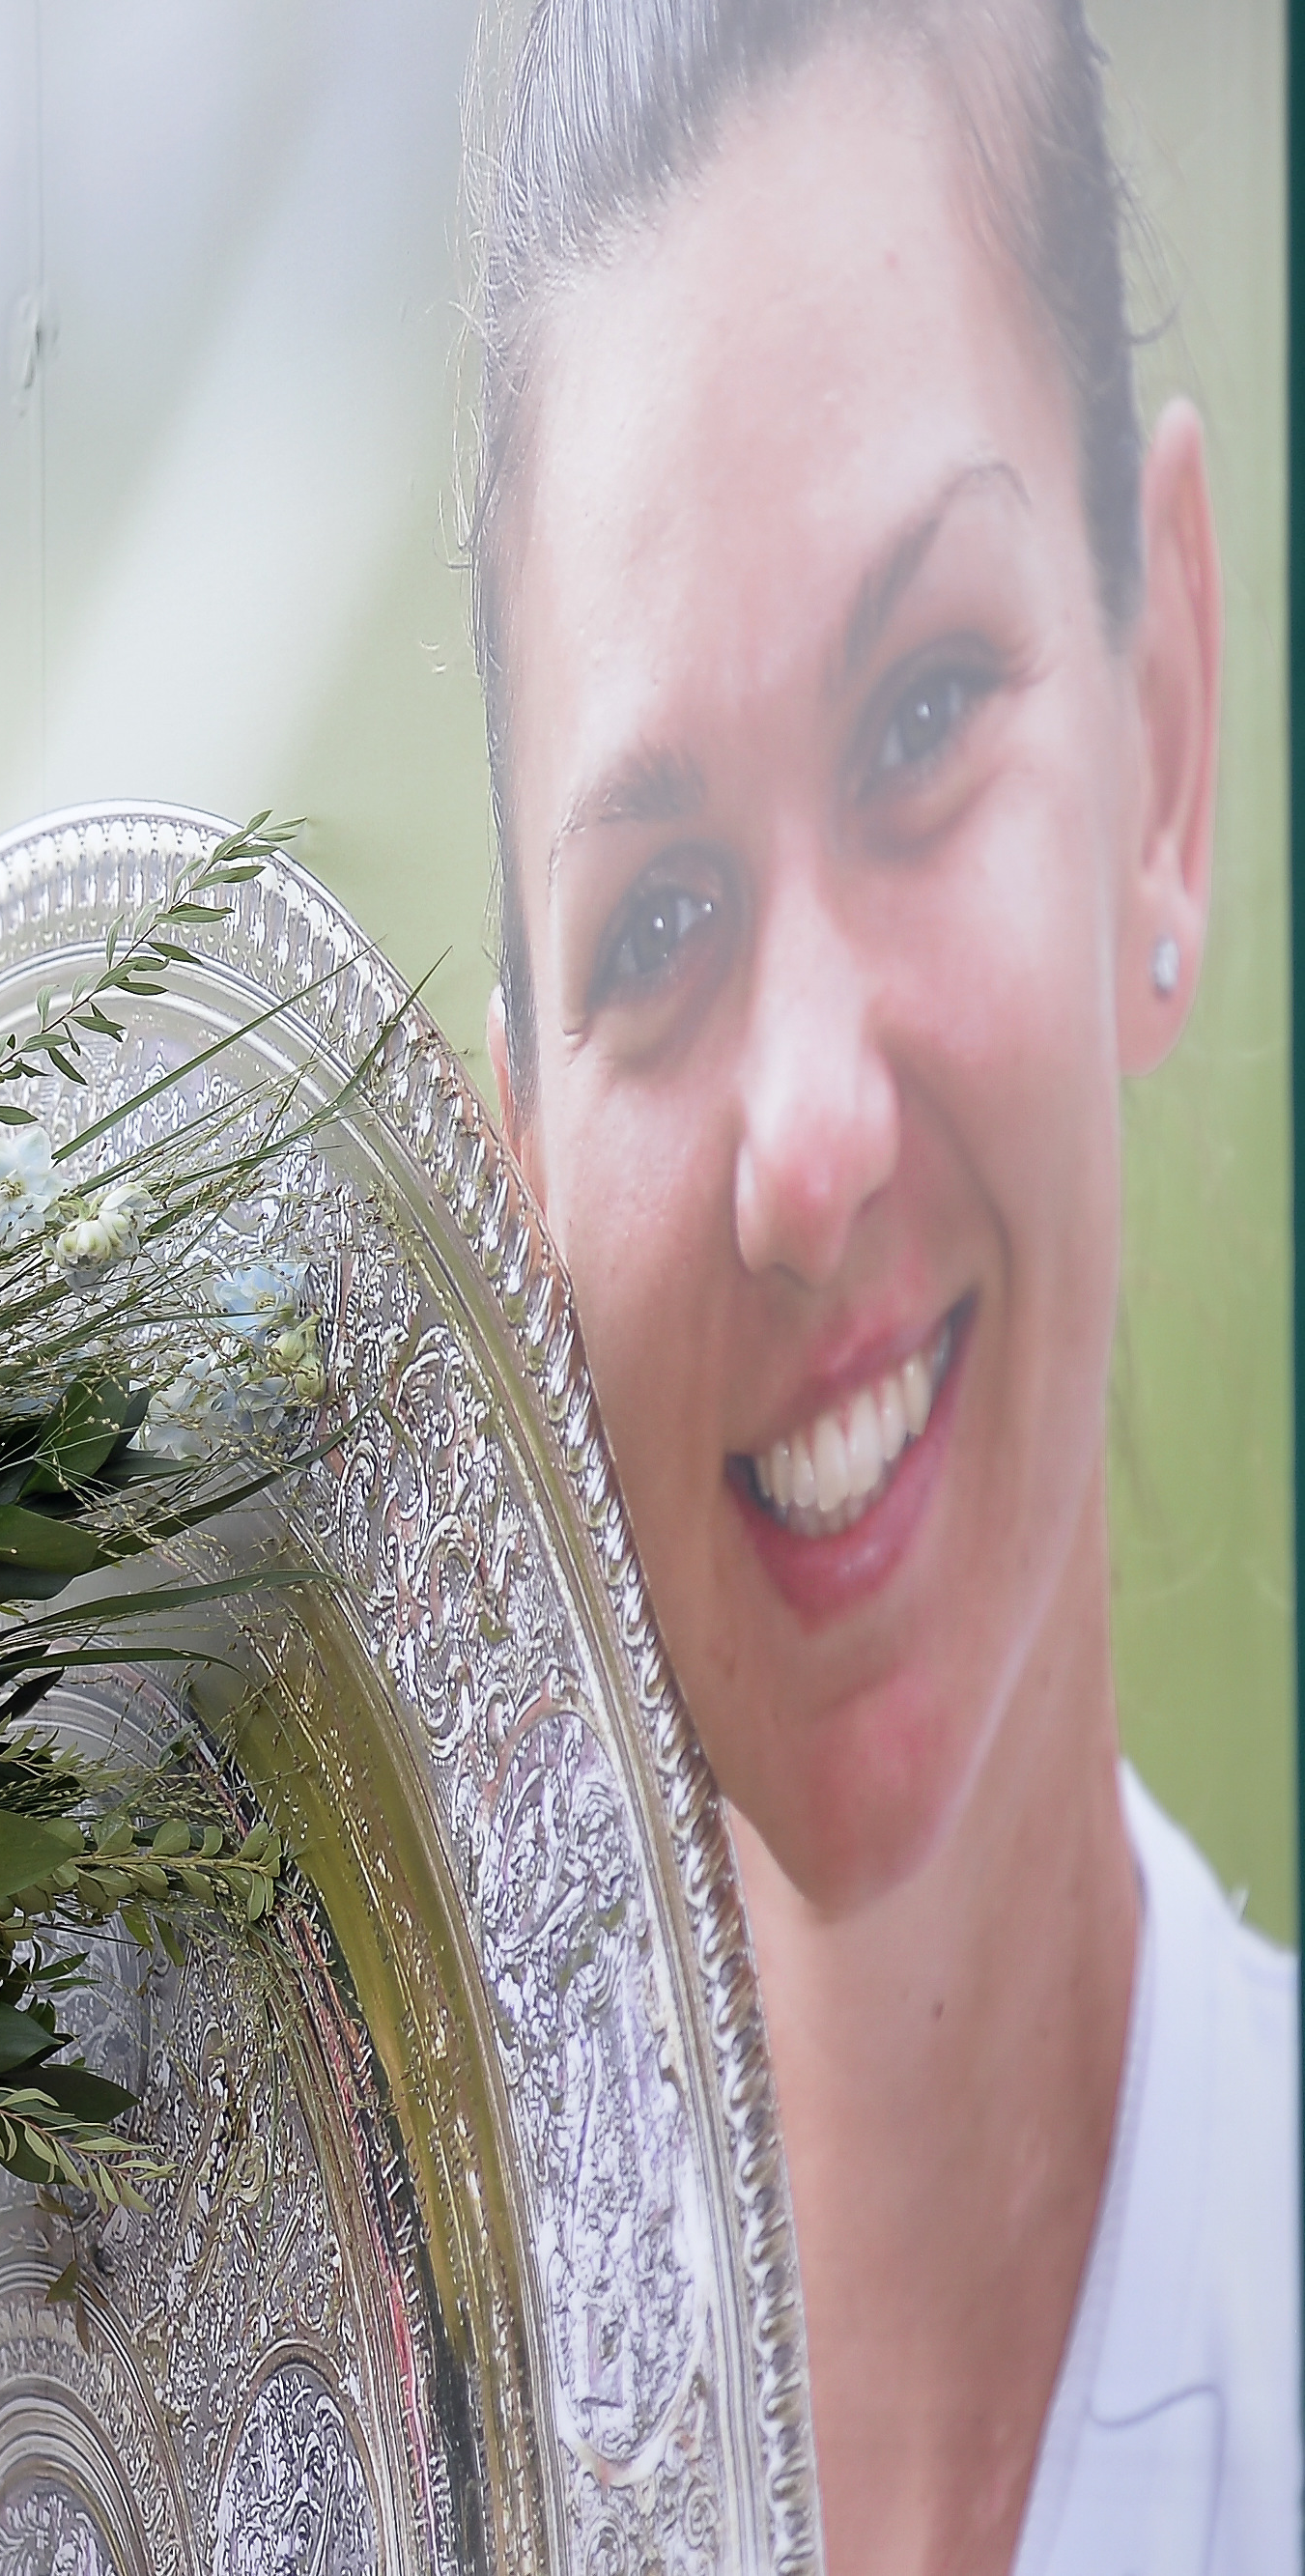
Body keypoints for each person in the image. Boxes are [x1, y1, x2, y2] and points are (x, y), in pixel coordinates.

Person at [467, 3, 1295, 2568]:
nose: (804, 1143)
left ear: (1156, 734)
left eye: (924, 705)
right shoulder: (379, 2463)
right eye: (657, 917)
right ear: (514, 1157)